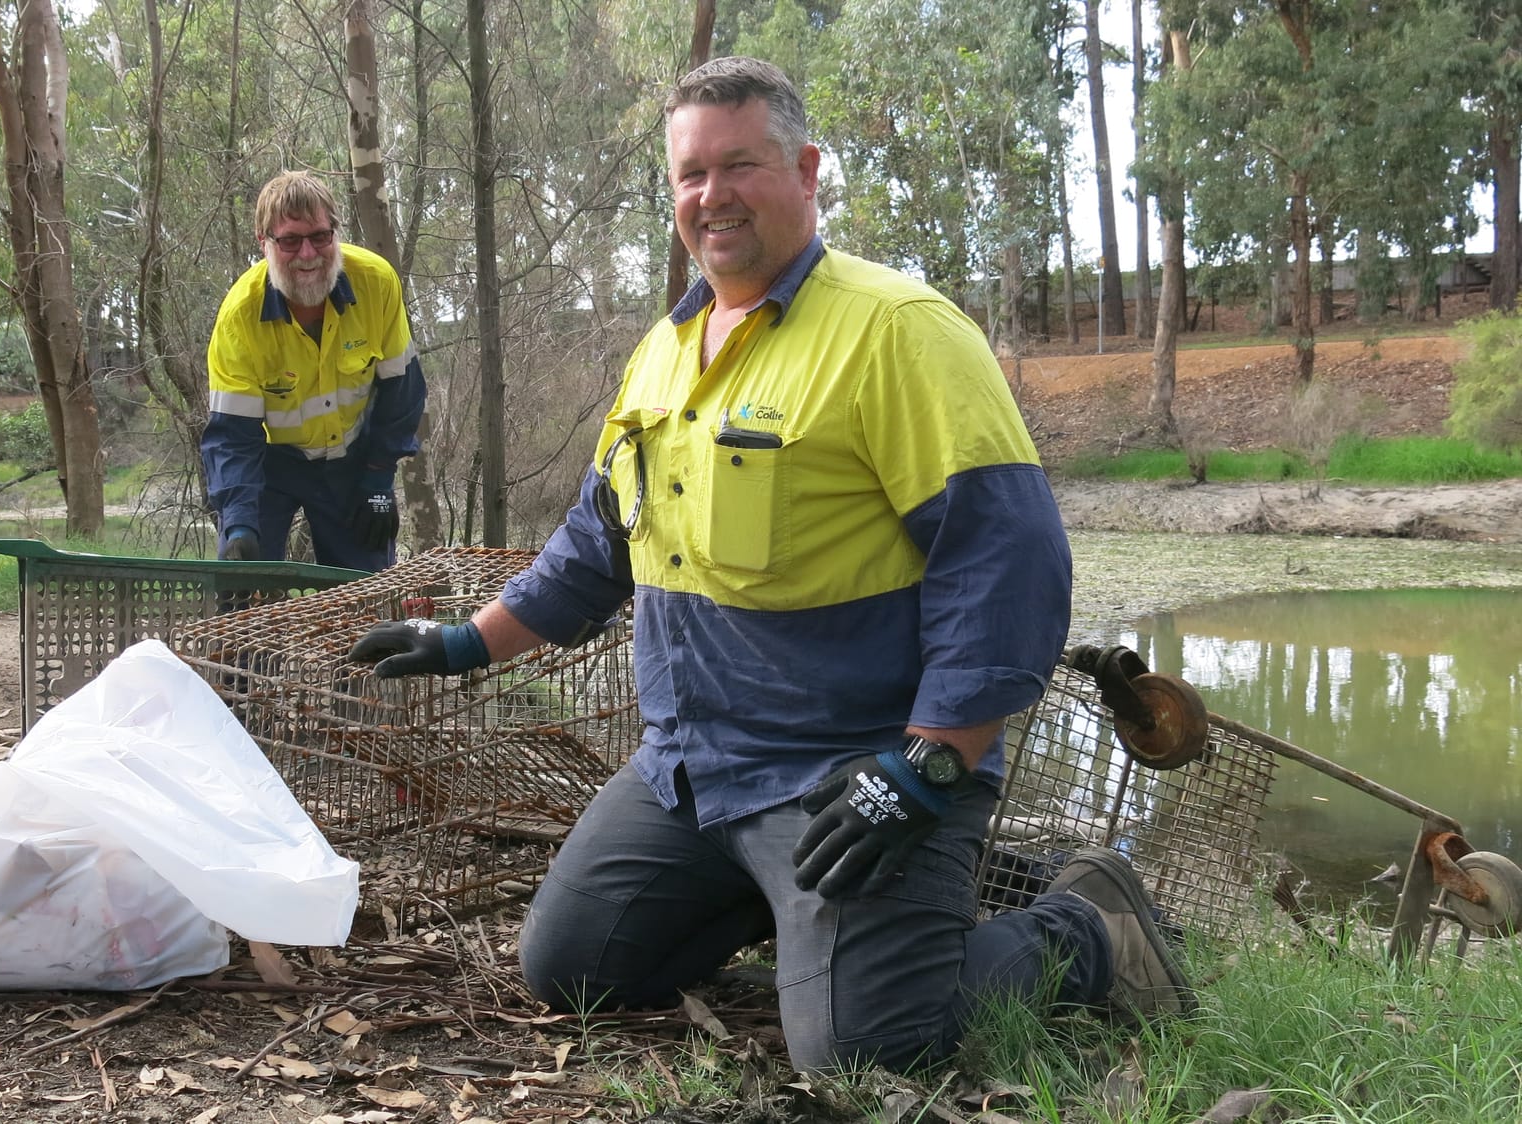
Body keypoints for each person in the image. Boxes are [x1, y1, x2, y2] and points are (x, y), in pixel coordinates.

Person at [349, 57, 1193, 1074]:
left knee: (867, 1051)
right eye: (689, 174)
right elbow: (597, 542)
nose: (711, 196)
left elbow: (1004, 566)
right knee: (573, 968)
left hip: (859, 770)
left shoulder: (894, 331)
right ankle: (799, 911)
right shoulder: (665, 350)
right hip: (694, 769)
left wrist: (925, 763)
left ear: (804, 169)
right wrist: (460, 640)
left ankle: (1089, 927)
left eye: (738, 165)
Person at [202, 171, 426, 571]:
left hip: (352, 456)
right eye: (290, 240)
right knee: (240, 581)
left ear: (335, 232)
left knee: (366, 593)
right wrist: (238, 524)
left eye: (320, 236)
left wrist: (378, 479)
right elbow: (233, 438)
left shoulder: (377, 283)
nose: (308, 254)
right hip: (269, 464)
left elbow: (402, 393)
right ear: (264, 242)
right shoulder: (239, 318)